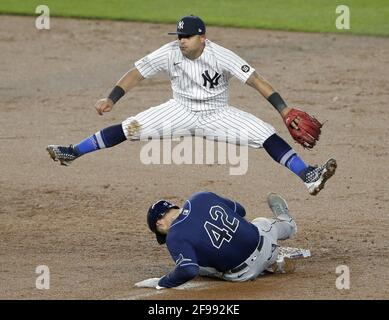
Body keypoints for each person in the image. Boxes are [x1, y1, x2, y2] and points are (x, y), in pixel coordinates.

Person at [46, 15, 336, 195]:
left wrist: (284, 109)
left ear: (202, 38)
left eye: (187, 36)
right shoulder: (169, 52)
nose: (181, 41)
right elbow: (137, 73)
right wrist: (111, 98)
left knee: (265, 134)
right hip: (178, 110)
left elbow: (256, 80)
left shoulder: (222, 55)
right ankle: (73, 152)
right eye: (179, 36)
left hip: (217, 114)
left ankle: (308, 175)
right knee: (129, 127)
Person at [135, 191, 297, 289]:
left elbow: (188, 270)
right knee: (262, 222)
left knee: (198, 265)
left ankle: (270, 265)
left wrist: (162, 282)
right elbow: (240, 210)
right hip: (266, 245)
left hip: (243, 275)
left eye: (160, 232)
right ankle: (287, 222)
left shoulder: (174, 237)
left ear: (159, 223)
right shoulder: (201, 197)